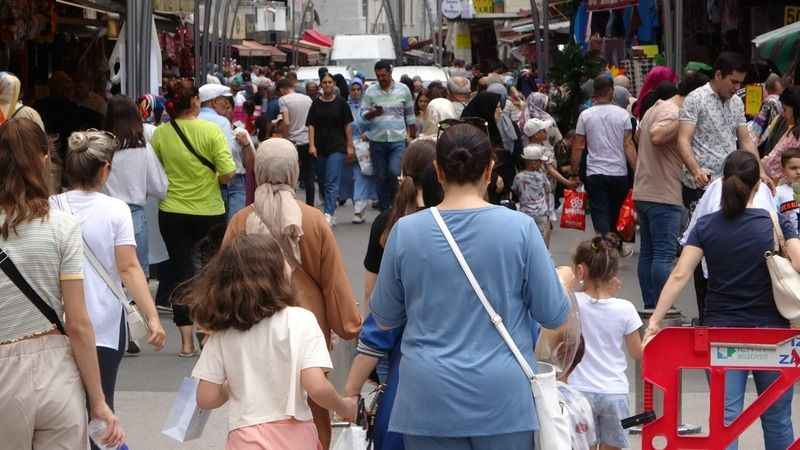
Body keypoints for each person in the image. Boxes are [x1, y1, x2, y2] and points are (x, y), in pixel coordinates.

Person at [369, 123, 570, 449]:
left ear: (438, 170)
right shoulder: (520, 229)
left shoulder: (405, 232)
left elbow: (385, 316)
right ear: (489, 170)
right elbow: (553, 313)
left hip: (428, 395)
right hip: (503, 396)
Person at [645, 151, 799, 450]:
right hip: (773, 336)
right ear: (758, 186)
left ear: (721, 181)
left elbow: (680, 275)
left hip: (721, 337)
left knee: (726, 421)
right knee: (778, 418)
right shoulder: (772, 222)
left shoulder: (705, 226)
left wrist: (654, 321)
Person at [221, 138, 362, 449]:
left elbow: (224, 281)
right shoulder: (312, 220)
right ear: (294, 172)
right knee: (312, 410)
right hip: (307, 325)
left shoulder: (241, 221)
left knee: (257, 405)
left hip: (250, 322)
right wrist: (350, 325)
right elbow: (333, 284)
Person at [0, 118, 125, 450]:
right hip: (55, 370)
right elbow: (79, 323)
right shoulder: (63, 227)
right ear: (44, 160)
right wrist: (98, 401)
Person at [185, 234, 355, 450]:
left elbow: (206, 397)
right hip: (295, 437)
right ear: (274, 273)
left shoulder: (223, 331)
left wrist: (231, 388)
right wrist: (343, 406)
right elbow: (316, 386)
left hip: (245, 437)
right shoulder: (300, 319)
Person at [53, 131, 167, 442]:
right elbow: (129, 268)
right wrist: (151, 317)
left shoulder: (51, 207)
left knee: (64, 408)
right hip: (104, 323)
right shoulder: (116, 210)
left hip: (59, 322)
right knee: (101, 403)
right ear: (105, 168)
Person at [345, 143, 443, 450]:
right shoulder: (447, 224)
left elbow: (372, 291)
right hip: (439, 341)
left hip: (391, 340)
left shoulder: (387, 224)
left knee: (391, 404)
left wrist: (351, 390)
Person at [150, 79, 236, 357]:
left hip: (172, 211)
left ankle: (186, 342)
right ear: (195, 102)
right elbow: (227, 173)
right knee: (211, 272)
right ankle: (207, 330)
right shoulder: (211, 130)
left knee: (181, 273)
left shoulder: (161, 134)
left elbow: (157, 169)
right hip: (209, 211)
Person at [633, 72, 709, 309]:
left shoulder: (654, 108)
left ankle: (650, 305)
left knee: (648, 252)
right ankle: (662, 307)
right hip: (663, 194)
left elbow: (639, 136)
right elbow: (656, 136)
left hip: (644, 190)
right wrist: (686, 118)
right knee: (663, 255)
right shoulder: (672, 112)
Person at [566, 236, 643, 450]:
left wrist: (577, 279)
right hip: (614, 391)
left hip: (579, 391)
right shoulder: (625, 308)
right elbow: (638, 353)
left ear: (581, 270)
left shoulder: (571, 303)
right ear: (613, 274)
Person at [678, 52, 758, 213]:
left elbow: (746, 140)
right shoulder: (695, 99)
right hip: (700, 186)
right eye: (734, 82)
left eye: (740, 83)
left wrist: (760, 172)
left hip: (730, 184)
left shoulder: (736, 102)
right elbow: (683, 140)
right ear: (718, 75)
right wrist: (696, 171)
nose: (737, 88)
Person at [103, 95, 169, 280]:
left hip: (101, 214)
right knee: (136, 276)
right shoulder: (142, 149)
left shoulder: (99, 149)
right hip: (133, 216)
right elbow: (161, 187)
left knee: (106, 277)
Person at [571, 75, 637, 243]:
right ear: (611, 92)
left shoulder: (585, 115)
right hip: (619, 173)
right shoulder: (623, 115)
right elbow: (628, 145)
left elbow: (578, 145)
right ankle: (612, 244)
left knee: (600, 212)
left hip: (595, 173)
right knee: (616, 212)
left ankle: (604, 244)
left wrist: (574, 171)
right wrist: (637, 171)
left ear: (595, 92)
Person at [362, 60, 417, 211]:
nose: (381, 79)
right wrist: (374, 113)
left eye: (384, 75)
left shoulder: (403, 90)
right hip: (377, 140)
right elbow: (362, 116)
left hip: (397, 139)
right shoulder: (370, 91)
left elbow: (410, 115)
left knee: (394, 172)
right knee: (380, 176)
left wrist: (413, 136)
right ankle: (384, 210)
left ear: (390, 73)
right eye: (378, 76)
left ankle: (395, 204)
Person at [198, 84, 254, 220]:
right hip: (218, 182)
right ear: (214, 103)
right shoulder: (217, 123)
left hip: (234, 184)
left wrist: (246, 145)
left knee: (230, 228)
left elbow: (250, 165)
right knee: (227, 230)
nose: (227, 110)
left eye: (229, 107)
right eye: (225, 104)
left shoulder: (241, 132)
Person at [307, 72, 355, 225]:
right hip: (320, 147)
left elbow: (347, 125)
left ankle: (328, 212)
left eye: (330, 82)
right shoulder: (316, 103)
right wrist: (311, 144)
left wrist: (349, 145)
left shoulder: (341, 103)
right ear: (321, 85)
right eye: (324, 82)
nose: (327, 85)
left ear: (334, 84)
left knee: (332, 180)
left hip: (337, 146)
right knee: (321, 179)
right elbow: (311, 125)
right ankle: (330, 206)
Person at [278, 78, 315, 206]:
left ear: (282, 89)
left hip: (292, 141)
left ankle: (291, 204)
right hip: (307, 140)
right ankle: (310, 205)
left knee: (291, 175)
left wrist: (284, 137)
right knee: (309, 175)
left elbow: (286, 122)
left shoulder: (283, 100)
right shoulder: (307, 99)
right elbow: (312, 121)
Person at [512, 144, 554, 246]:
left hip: (525, 213)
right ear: (533, 162)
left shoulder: (518, 177)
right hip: (541, 213)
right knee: (543, 240)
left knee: (527, 240)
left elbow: (515, 191)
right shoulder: (542, 176)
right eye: (539, 161)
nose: (541, 163)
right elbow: (548, 190)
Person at [348, 78, 377, 224]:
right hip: (348, 145)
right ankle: (357, 204)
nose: (355, 92)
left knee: (362, 175)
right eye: (353, 89)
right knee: (350, 177)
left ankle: (359, 208)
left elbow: (375, 124)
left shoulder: (367, 108)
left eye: (358, 89)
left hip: (364, 145)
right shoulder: (345, 106)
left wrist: (369, 135)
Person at [762, 86, 800, 182]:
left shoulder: (795, 133)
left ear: (796, 109)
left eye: (785, 109)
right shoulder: (792, 129)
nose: (783, 114)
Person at [751, 73, 785, 152]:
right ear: (777, 85)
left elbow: (756, 129)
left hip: (764, 144)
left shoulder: (769, 102)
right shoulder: (778, 102)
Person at [775, 147, 800, 233]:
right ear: (783, 171)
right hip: (790, 242)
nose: (798, 172)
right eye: (793, 168)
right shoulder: (777, 192)